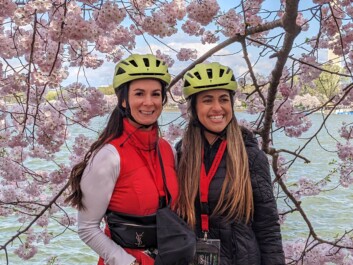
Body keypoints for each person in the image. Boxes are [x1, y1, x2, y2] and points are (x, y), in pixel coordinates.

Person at [65, 54, 179, 265]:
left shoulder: (167, 150)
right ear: (124, 99)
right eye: (139, 94)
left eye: (155, 94)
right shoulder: (108, 156)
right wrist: (127, 262)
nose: (148, 102)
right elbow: (87, 228)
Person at [175, 62, 285, 265]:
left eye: (223, 99)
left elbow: (268, 226)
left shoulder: (250, 155)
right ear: (193, 107)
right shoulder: (182, 154)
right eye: (207, 100)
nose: (217, 108)